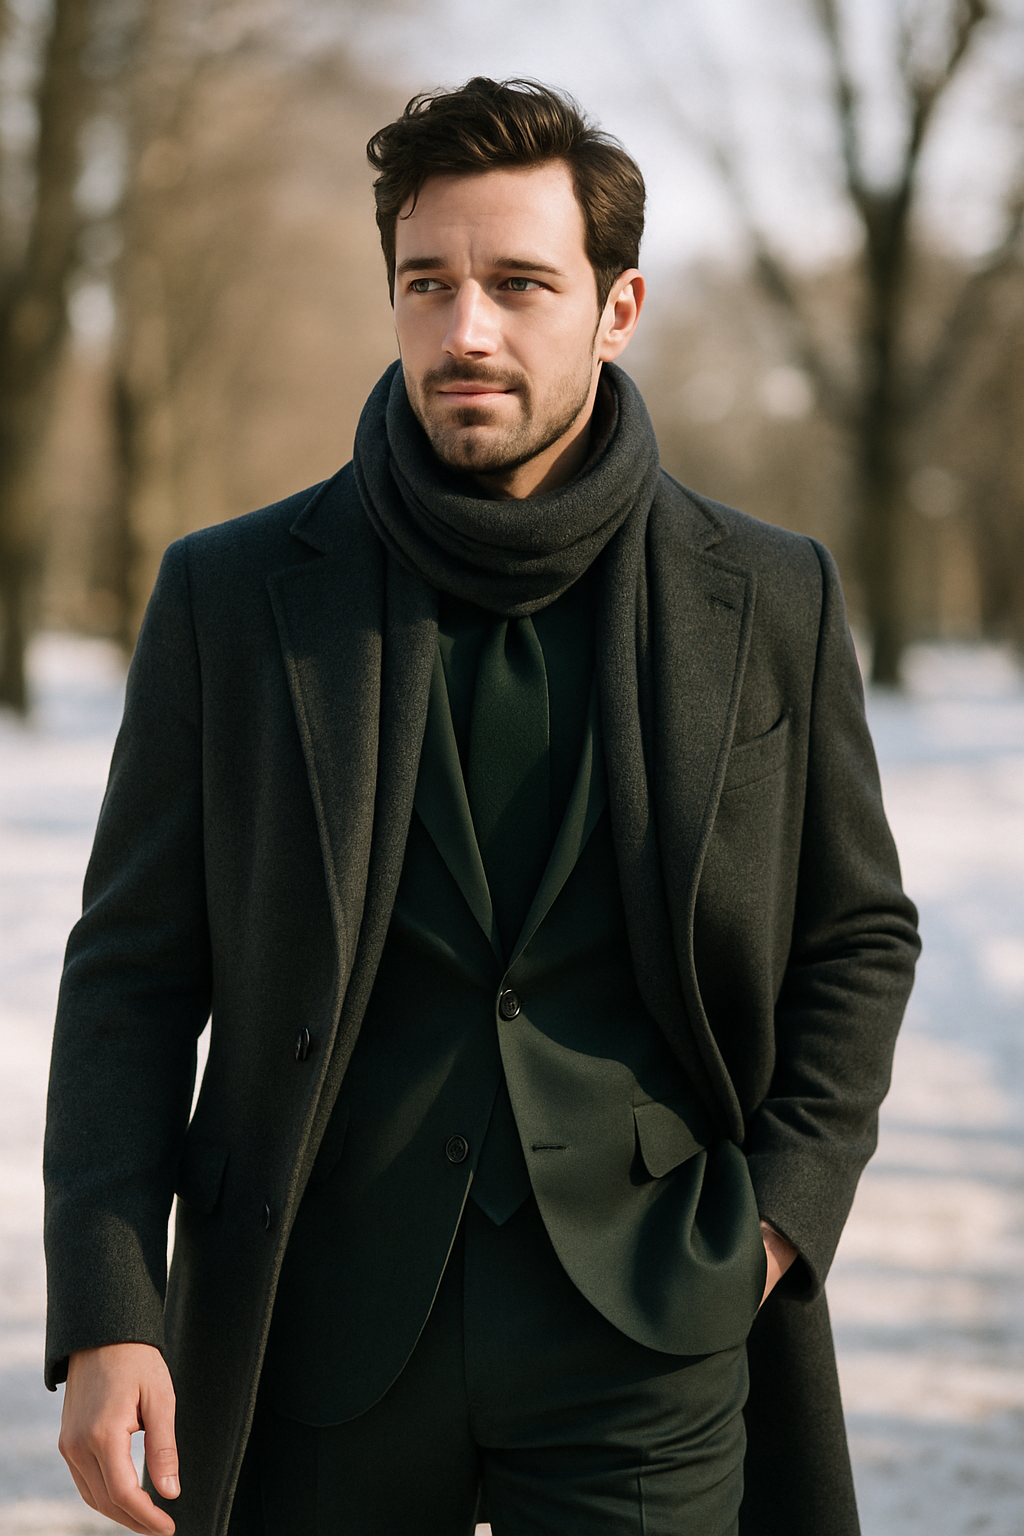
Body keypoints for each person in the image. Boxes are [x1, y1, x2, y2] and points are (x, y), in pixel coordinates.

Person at [44, 77, 919, 1536]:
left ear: (617, 307)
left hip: (647, 1332)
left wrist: (771, 1225)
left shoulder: (768, 594)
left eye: (519, 284)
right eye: (427, 283)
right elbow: (131, 970)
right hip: (314, 1335)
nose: (467, 332)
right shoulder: (234, 596)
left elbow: (858, 933)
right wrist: (109, 1305)